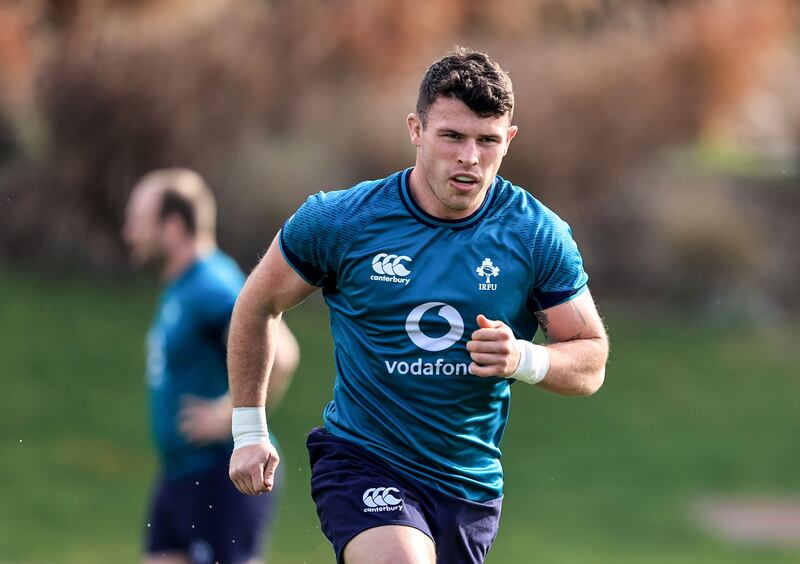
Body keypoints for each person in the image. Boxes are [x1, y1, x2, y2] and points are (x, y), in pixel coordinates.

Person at [227, 47, 609, 564]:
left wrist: (524, 357)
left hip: (467, 487)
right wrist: (248, 430)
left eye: (487, 140)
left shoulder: (535, 235)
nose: (469, 157)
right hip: (362, 460)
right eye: (452, 136)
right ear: (416, 130)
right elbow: (257, 304)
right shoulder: (341, 221)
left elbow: (590, 359)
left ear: (509, 140)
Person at [123, 168, 299, 564]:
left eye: (138, 221)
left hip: (219, 475)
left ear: (172, 225)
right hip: (178, 474)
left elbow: (283, 352)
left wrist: (229, 415)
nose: (129, 233)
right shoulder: (183, 285)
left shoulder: (211, 285)